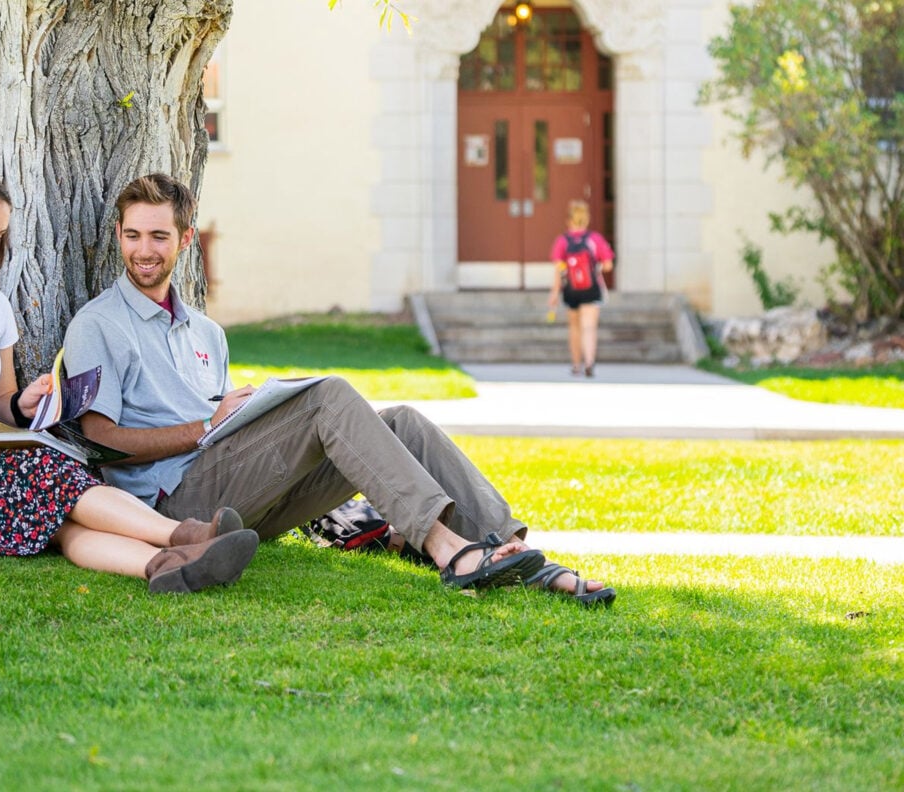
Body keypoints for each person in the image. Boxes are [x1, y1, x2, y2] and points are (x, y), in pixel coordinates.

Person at [63, 173, 615, 606]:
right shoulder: (98, 324)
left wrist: (243, 415)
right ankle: (450, 551)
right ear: (118, 234)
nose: (144, 250)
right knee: (327, 395)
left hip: (240, 498)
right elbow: (101, 440)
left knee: (400, 421)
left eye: (159, 236)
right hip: (173, 506)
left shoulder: (205, 332)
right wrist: (207, 427)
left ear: (185, 239)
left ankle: (523, 555)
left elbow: (223, 426)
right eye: (133, 235)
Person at [0, 161, 259, 594]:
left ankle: (166, 566)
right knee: (48, 475)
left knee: (58, 519)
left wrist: (22, 405)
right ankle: (182, 536)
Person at [547, 200, 615, 377]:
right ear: (586, 219)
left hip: (571, 289)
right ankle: (589, 363)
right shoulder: (595, 239)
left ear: (568, 219)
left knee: (574, 328)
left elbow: (558, 269)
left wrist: (554, 293)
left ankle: (576, 364)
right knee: (589, 327)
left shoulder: (562, 241)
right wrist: (596, 267)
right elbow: (608, 265)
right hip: (591, 288)